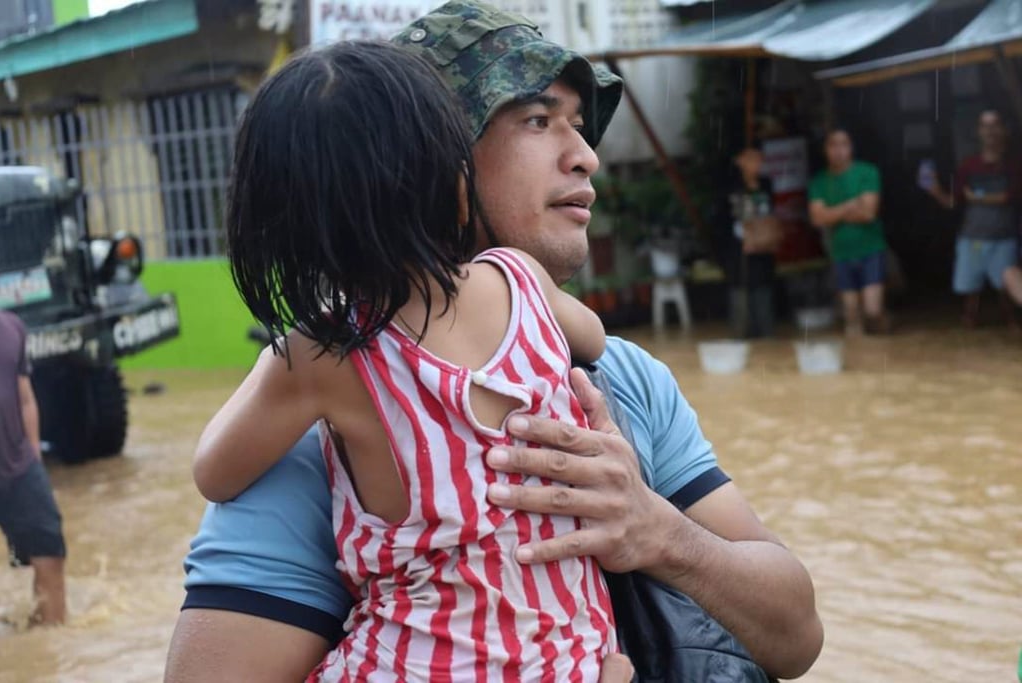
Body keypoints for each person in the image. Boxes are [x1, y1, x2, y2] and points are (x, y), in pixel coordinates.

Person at [164, 3, 823, 682]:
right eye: (538, 121)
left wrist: (660, 532)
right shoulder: (313, 441)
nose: (586, 155)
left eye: (579, 124)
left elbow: (796, 636)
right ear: (437, 157)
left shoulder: (622, 378)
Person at [193, 40, 615, 681]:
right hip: (576, 657)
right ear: (452, 170)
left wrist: (290, 348)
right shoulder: (522, 278)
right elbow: (596, 339)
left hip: (416, 663)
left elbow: (214, 473)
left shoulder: (322, 355)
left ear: (285, 222)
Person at [922, 109, 1021, 328]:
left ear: (1004, 130)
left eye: (995, 124)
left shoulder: (1014, 165)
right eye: (985, 125)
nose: (990, 131)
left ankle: (1011, 321)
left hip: (1004, 236)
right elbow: (954, 201)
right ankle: (970, 320)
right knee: (970, 287)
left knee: (1006, 284)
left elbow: (1009, 197)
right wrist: (935, 189)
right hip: (973, 236)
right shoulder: (968, 165)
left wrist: (976, 196)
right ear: (978, 131)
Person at [0, 310, 66, 627]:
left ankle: (49, 649)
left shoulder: (11, 327)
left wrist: (34, 454)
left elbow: (25, 398)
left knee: (50, 550)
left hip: (19, 464)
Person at [809, 127, 890, 336]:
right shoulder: (818, 181)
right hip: (841, 253)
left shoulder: (867, 172)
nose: (838, 150)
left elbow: (868, 213)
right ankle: (860, 363)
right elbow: (817, 219)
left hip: (870, 248)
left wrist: (832, 213)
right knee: (851, 318)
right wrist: (850, 206)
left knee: (872, 311)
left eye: (843, 144)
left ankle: (884, 338)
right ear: (825, 150)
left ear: (851, 147)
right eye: (833, 145)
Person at [717, 145, 781, 338]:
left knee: (764, 301)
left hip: (763, 254)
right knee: (740, 303)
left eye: (758, 158)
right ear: (740, 161)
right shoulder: (730, 189)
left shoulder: (766, 185)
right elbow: (723, 224)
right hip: (739, 255)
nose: (755, 163)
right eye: (750, 158)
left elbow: (771, 218)